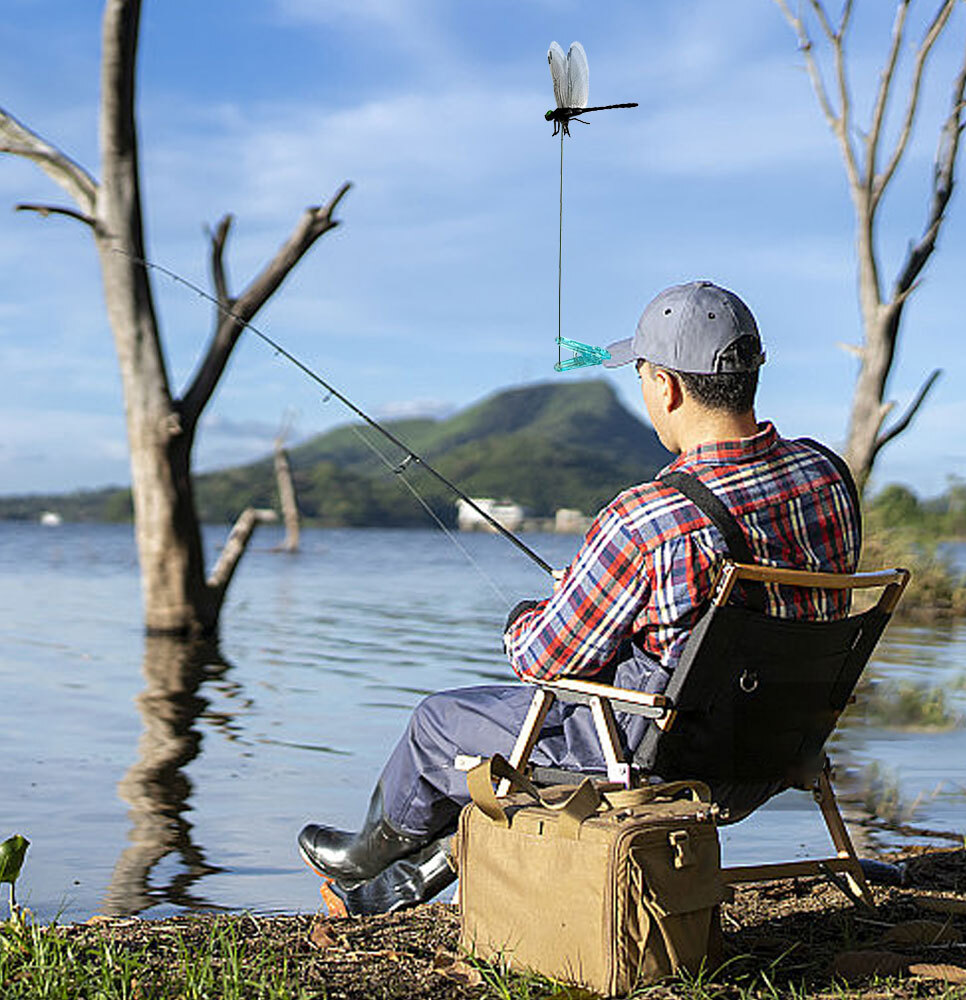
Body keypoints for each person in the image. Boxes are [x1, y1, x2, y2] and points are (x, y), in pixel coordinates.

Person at [297, 280, 861, 917]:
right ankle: (407, 878)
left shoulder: (650, 518)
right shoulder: (828, 476)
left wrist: (524, 619)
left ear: (666, 387)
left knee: (435, 724)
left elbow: (541, 660)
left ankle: (370, 856)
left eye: (643, 373)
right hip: (778, 751)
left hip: (654, 767)